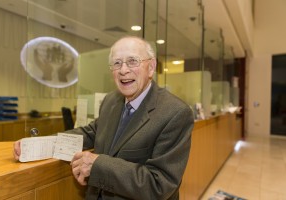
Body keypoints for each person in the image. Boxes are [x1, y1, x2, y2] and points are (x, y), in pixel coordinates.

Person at [13, 36, 194, 200]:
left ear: (151, 67)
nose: (123, 70)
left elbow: (160, 184)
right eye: (117, 63)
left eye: (132, 61)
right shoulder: (111, 100)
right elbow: (91, 132)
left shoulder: (176, 113)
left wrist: (97, 165)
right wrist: (42, 143)